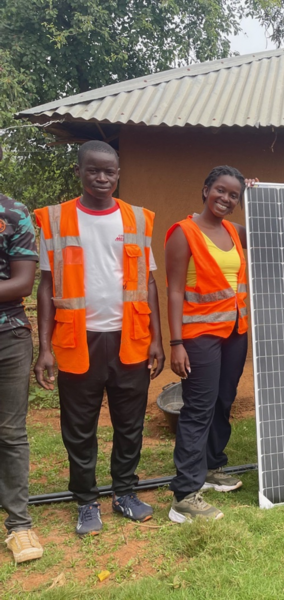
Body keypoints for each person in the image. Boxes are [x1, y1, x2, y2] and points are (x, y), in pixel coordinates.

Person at [34, 140, 164, 537]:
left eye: (109, 171)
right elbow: (45, 286)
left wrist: (158, 338)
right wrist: (44, 348)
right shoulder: (55, 220)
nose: (102, 177)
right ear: (79, 172)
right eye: (93, 170)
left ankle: (124, 492)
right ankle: (86, 501)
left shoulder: (138, 220)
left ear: (119, 173)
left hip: (131, 338)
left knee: (130, 422)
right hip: (77, 339)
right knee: (79, 426)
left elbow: (150, 283)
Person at [165, 166, 249, 523]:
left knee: (223, 402)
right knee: (198, 408)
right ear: (205, 190)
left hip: (234, 332)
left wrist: (258, 194)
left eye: (234, 195)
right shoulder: (184, 233)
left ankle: (212, 467)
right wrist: (176, 343)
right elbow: (173, 290)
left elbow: (269, 225)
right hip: (198, 337)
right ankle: (184, 495)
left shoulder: (234, 230)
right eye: (220, 190)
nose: (226, 199)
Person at [0, 144, 43, 563]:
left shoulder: (13, 213)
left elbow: (22, 283)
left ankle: (19, 525)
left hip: (8, 337)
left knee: (11, 432)